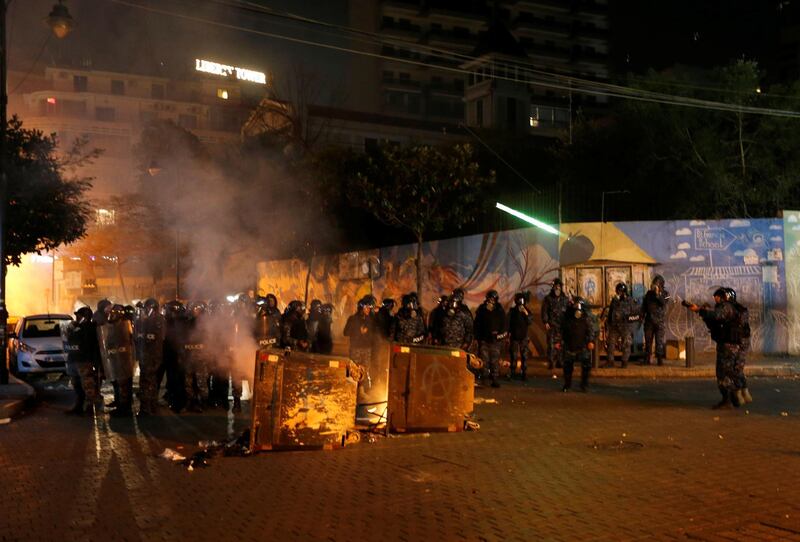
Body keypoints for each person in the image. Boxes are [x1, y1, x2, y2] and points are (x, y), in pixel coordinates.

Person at [687, 287, 751, 409]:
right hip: (741, 345)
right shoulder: (740, 309)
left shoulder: (726, 307)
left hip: (728, 345)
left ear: (724, 297)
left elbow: (716, 316)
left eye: (717, 297)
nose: (715, 300)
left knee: (723, 372)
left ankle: (728, 400)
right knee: (736, 370)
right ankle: (740, 395)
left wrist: (699, 310)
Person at [62, 307, 102, 415]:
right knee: (77, 384)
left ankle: (90, 409)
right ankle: (78, 406)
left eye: (78, 316)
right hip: (74, 359)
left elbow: (89, 345)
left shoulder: (90, 328)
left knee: (88, 386)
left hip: (85, 361)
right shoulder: (76, 327)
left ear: (85, 317)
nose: (76, 318)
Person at [559, 298, 595, 392]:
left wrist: (591, 341)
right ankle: (567, 384)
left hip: (582, 346)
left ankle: (584, 385)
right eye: (575, 305)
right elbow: (561, 330)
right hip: (569, 346)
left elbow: (590, 330)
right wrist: (559, 341)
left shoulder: (586, 317)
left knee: (586, 366)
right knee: (567, 367)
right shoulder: (567, 317)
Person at [136, 298, 163, 416]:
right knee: (151, 381)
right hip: (148, 355)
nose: (145, 311)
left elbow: (153, 338)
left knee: (147, 382)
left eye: (146, 308)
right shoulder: (149, 320)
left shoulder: (157, 320)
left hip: (151, 356)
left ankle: (147, 408)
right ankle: (152, 406)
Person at [474, 290, 507, 388]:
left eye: (493, 299)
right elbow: (477, 324)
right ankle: (484, 378)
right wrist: (477, 337)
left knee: (494, 360)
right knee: (484, 360)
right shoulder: (482, 309)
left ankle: (494, 379)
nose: (491, 301)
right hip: (484, 339)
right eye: (490, 298)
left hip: (495, 341)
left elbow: (504, 326)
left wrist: (500, 336)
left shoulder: (500, 310)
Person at [604, 283, 640, 368]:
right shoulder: (615, 300)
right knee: (610, 343)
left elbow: (636, 313)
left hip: (625, 326)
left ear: (624, 292)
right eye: (618, 291)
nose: (618, 293)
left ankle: (624, 361)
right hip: (615, 325)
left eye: (620, 291)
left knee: (626, 344)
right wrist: (608, 323)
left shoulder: (630, 300)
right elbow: (611, 312)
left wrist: (630, 321)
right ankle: (610, 361)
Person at [641, 274, 670, 366]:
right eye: (654, 284)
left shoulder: (666, 294)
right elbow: (644, 306)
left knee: (659, 342)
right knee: (648, 342)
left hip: (659, 323)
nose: (654, 286)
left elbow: (663, 302)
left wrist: (658, 294)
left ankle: (660, 360)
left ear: (661, 285)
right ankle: (647, 359)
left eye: (657, 284)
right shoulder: (649, 294)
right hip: (649, 322)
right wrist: (641, 316)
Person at [541, 278, 570, 370]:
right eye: (556, 287)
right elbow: (544, 311)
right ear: (553, 287)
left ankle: (560, 361)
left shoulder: (565, 299)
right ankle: (551, 362)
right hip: (552, 325)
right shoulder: (548, 299)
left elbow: (568, 311)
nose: (557, 289)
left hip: (562, 326)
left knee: (561, 344)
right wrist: (545, 322)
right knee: (551, 344)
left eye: (559, 287)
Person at [507, 291, 534, 380]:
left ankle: (524, 373)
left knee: (524, 356)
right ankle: (513, 372)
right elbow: (508, 323)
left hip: (524, 337)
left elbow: (530, 321)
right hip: (514, 337)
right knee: (513, 356)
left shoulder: (526, 311)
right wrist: (508, 334)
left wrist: (525, 313)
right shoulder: (512, 311)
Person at [343, 296, 376, 367]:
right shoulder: (353, 319)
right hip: (356, 349)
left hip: (367, 349)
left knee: (365, 370)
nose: (368, 310)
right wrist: (358, 331)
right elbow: (346, 332)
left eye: (369, 308)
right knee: (354, 371)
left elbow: (374, 334)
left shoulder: (371, 320)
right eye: (366, 307)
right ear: (361, 308)